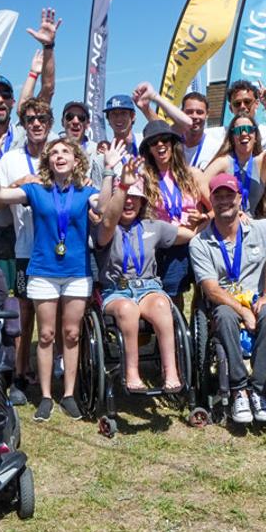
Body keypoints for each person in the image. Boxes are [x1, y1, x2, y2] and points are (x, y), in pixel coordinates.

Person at [0, 136, 99, 422]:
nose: (59, 156)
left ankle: (68, 394)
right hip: (42, 271)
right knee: (47, 335)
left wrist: (112, 172)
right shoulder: (36, 189)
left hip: (77, 271)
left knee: (72, 334)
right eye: (54, 153)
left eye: (66, 151)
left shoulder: (86, 189)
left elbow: (105, 208)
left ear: (76, 160)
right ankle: (46, 396)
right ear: (48, 161)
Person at [95, 155, 197, 393]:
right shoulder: (106, 229)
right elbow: (109, 221)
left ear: (142, 203)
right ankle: (132, 372)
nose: (129, 202)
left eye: (135, 198)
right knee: (128, 310)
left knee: (163, 304)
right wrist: (122, 186)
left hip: (148, 288)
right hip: (117, 291)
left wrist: (205, 220)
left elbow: (189, 235)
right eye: (125, 199)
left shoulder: (154, 227)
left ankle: (170, 370)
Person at [189, 173, 266, 424]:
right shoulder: (200, 243)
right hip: (225, 301)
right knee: (225, 316)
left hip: (256, 298)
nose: (224, 201)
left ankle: (258, 389)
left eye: (229, 195)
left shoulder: (261, 228)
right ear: (211, 201)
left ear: (240, 199)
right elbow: (210, 289)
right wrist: (243, 311)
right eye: (217, 196)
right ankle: (239, 388)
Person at [0, 96, 54, 406]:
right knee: (24, 313)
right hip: (25, 247)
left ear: (50, 124)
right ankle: (20, 376)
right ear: (23, 125)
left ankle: (58, 376)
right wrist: (24, 185)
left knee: (58, 316)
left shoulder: (61, 152)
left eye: (41, 119)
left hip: (59, 246)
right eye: (30, 120)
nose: (36, 124)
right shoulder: (11, 158)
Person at [138, 119, 209, 302]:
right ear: (148, 150)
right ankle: (177, 327)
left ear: (172, 143)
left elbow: (215, 208)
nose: (160, 145)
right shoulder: (144, 179)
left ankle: (199, 325)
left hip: (197, 240)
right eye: (154, 142)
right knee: (172, 294)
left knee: (205, 291)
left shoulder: (192, 174)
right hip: (168, 245)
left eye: (164, 139)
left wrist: (203, 216)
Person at [205, 85, 266, 217]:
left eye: (249, 130)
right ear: (232, 137)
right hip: (227, 226)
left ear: (256, 136)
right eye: (238, 131)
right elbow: (200, 182)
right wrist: (216, 211)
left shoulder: (261, 162)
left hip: (253, 226)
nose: (244, 133)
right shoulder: (224, 162)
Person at [179, 92, 220, 170]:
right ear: (182, 112)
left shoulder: (216, 149)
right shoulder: (172, 144)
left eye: (199, 112)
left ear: (207, 114)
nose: (194, 116)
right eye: (189, 112)